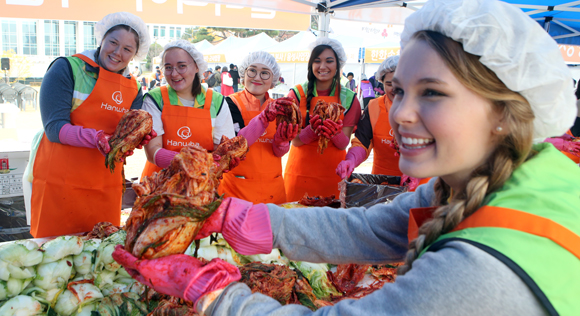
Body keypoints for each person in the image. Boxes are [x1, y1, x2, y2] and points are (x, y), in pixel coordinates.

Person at [113, 0, 580, 315]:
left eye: (433, 93)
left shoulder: (479, 270)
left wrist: (215, 295)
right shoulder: (507, 177)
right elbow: (378, 226)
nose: (401, 115)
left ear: (503, 111)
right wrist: (253, 220)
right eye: (398, 92)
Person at [27, 12, 154, 238]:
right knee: (56, 255)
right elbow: (54, 128)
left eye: (127, 49)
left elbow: (124, 134)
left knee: (99, 257)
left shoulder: (133, 87)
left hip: (104, 183)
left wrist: (136, 137)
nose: (117, 53)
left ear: (135, 54)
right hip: (59, 181)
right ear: (102, 39)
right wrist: (96, 138)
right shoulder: (67, 68)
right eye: (113, 43)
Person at [141, 40, 235, 178]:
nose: (174, 74)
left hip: (202, 186)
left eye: (182, 66)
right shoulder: (154, 99)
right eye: (168, 67)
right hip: (159, 185)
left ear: (197, 67)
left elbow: (222, 151)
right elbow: (153, 151)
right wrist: (194, 162)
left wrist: (224, 159)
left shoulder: (217, 101)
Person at [283, 37, 362, 201]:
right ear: (311, 65)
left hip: (332, 176)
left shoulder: (349, 99)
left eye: (329, 61)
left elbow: (343, 143)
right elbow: (295, 141)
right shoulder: (296, 95)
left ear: (338, 64)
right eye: (317, 61)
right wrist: (311, 131)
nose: (323, 66)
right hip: (299, 176)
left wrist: (334, 133)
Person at [336, 55, 428, 191]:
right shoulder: (374, 107)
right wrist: (351, 160)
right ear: (381, 82)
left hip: (422, 187)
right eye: (389, 84)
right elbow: (362, 142)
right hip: (382, 186)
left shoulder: (427, 107)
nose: (394, 89)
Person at [219, 52, 297, 204]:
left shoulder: (281, 107)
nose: (257, 77)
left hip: (273, 191)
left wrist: (281, 142)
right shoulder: (230, 103)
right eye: (252, 70)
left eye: (265, 73)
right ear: (243, 74)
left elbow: (279, 152)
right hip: (237, 191)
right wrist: (264, 118)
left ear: (273, 81)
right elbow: (235, 145)